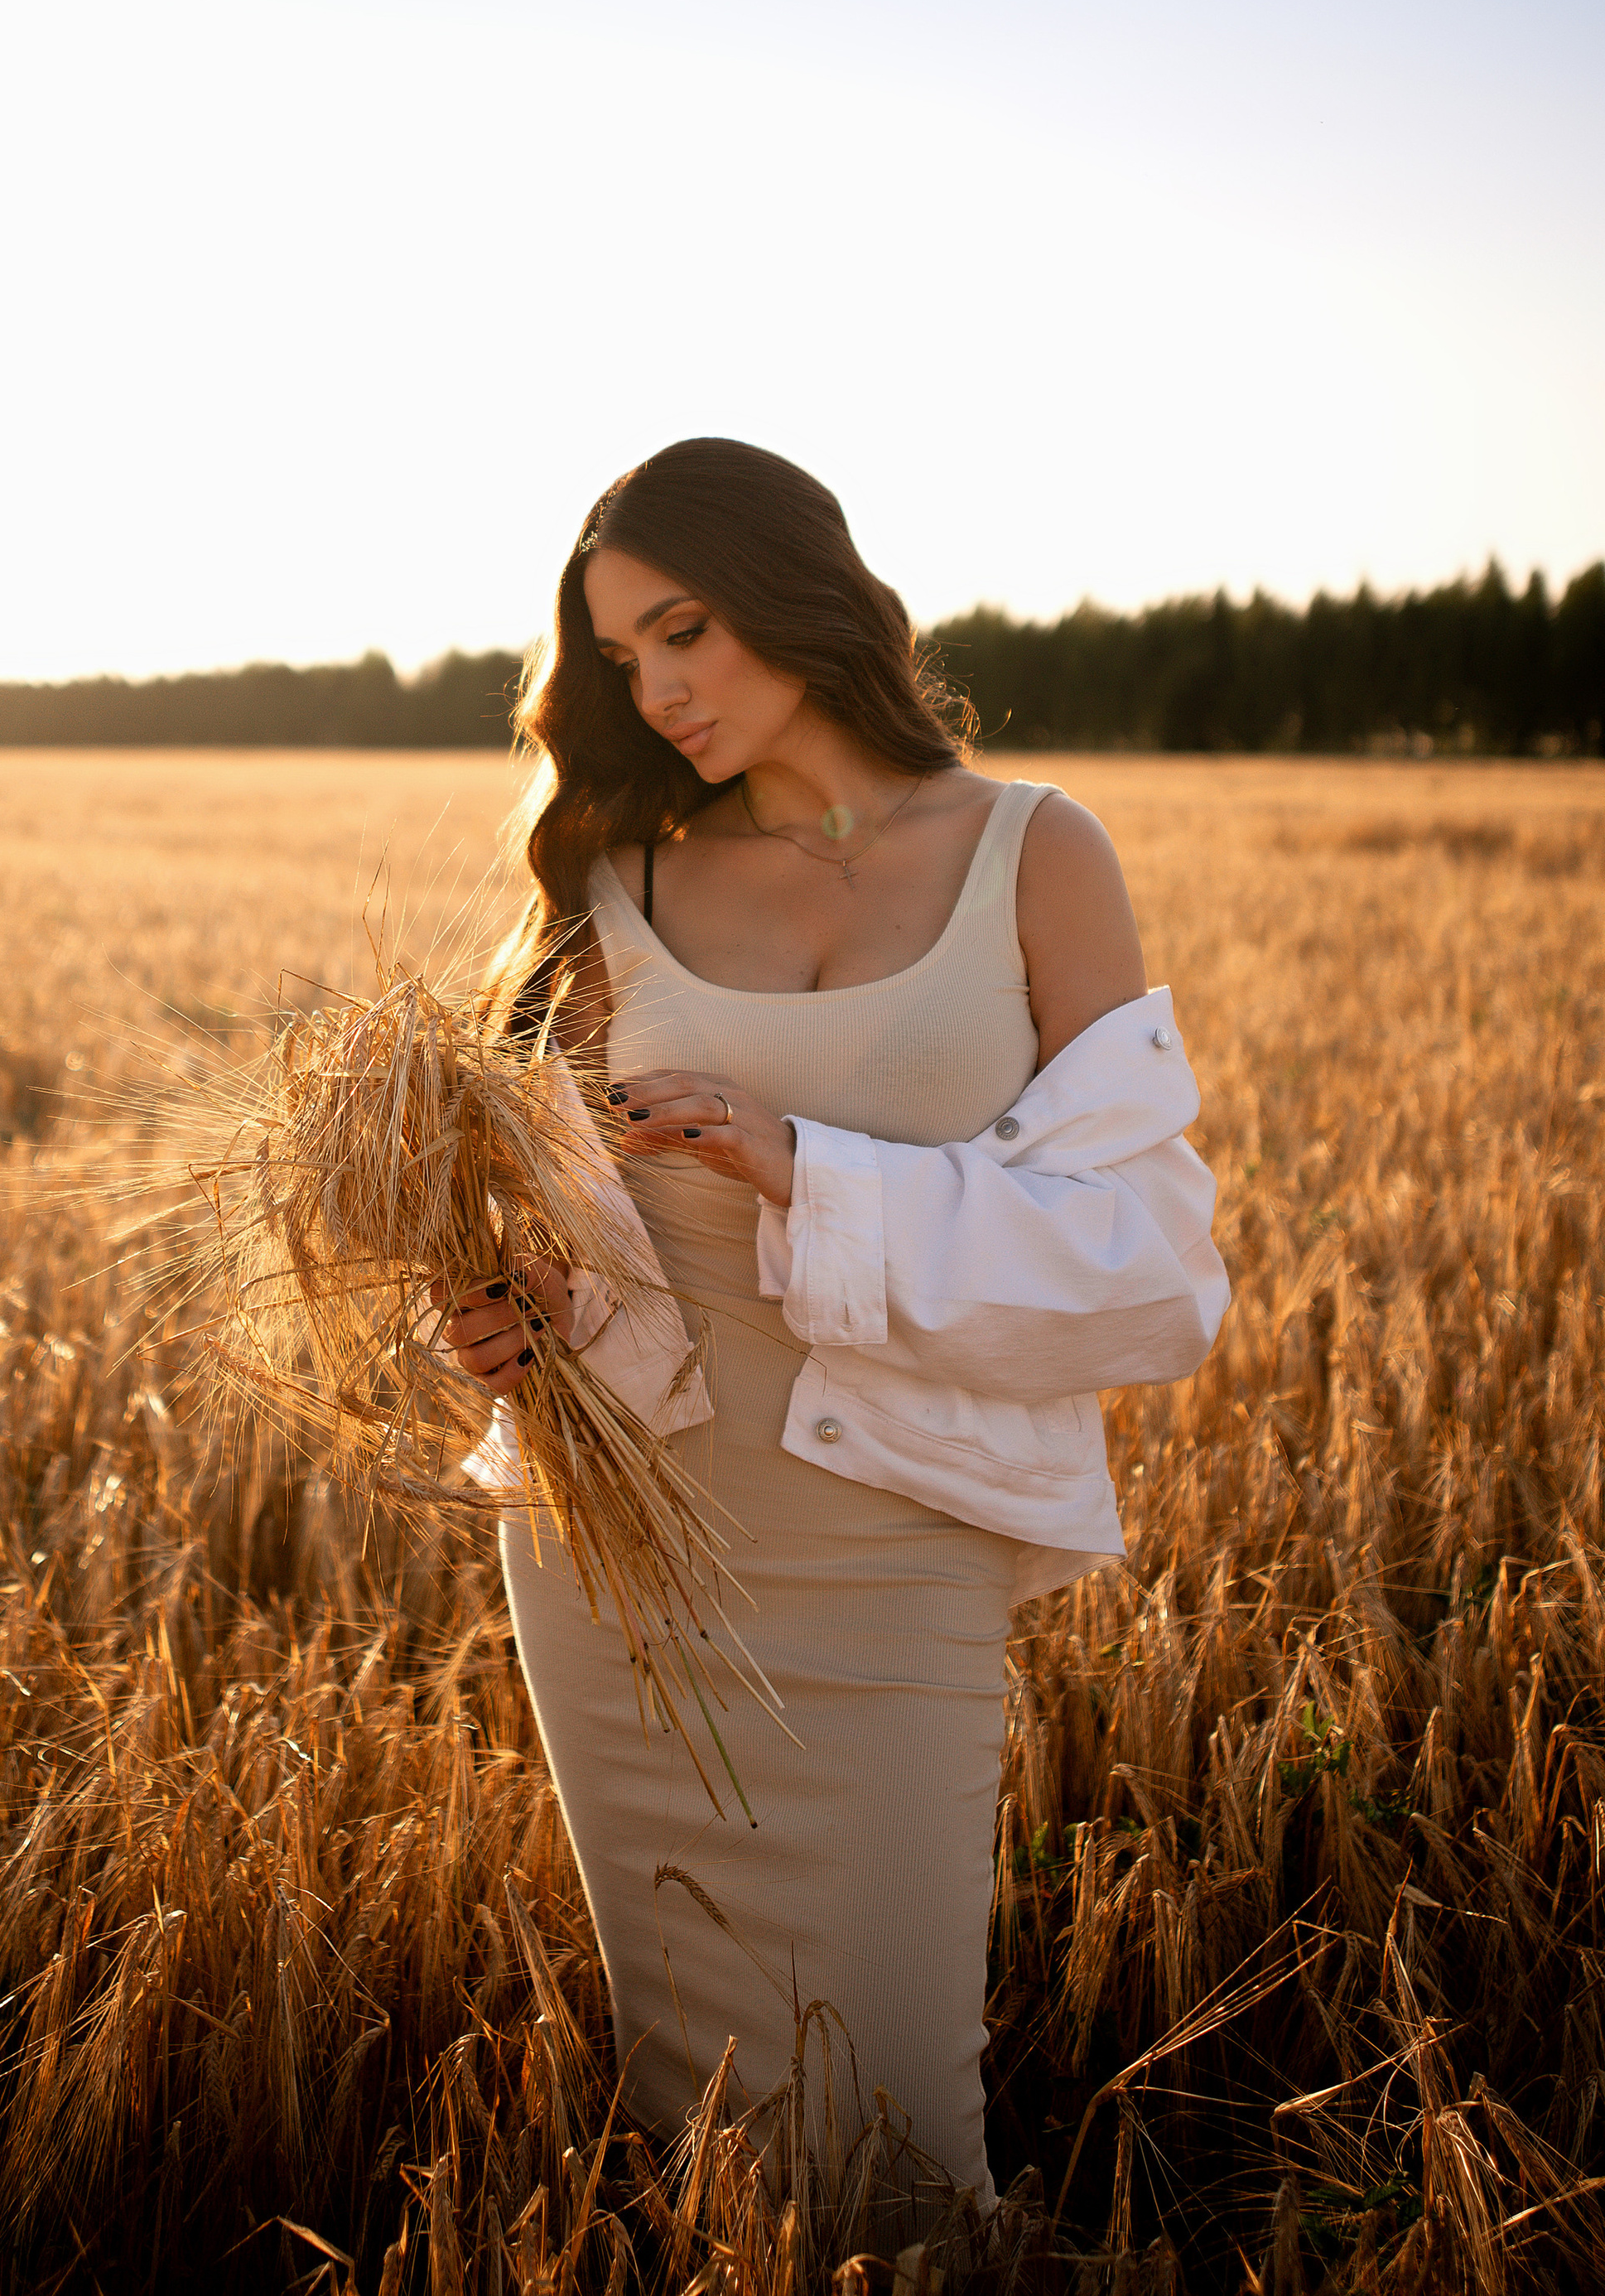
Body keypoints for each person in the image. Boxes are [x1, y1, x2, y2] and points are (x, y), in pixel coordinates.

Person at [444, 437, 1228, 2210]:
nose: (655, 688)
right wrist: (502, 1322)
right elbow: (552, 1233)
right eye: (620, 656)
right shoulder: (612, 876)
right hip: (623, 1551)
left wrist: (809, 1165)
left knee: (891, 2132)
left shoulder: (1029, 852)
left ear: (801, 591)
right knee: (693, 2123)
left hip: (892, 1542)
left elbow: (1149, 1261)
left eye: (685, 630)